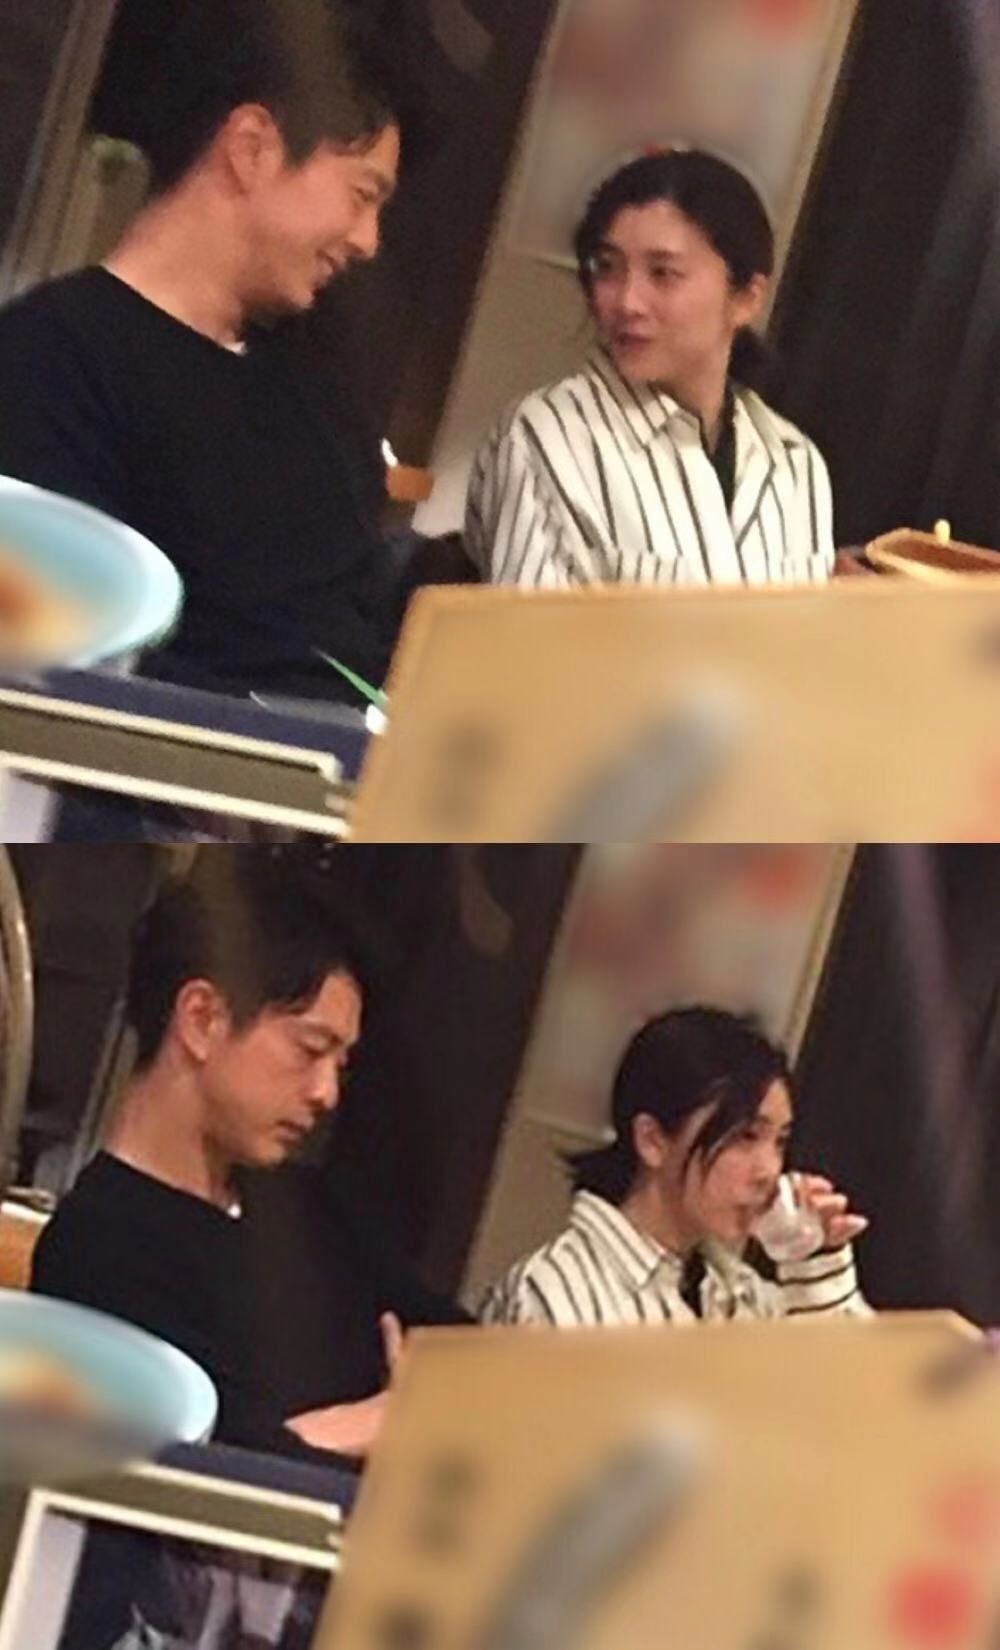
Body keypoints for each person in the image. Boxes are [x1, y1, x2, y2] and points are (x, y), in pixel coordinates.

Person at [0, 0, 407, 705]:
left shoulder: (321, 398)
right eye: (361, 194)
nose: (368, 240)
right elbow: (55, 670)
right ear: (250, 148)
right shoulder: (50, 356)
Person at [31, 854, 468, 1463]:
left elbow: (468, 1361)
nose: (327, 1093)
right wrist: (372, 1420)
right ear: (202, 1019)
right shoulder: (98, 1248)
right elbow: (197, 1469)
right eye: (309, 1049)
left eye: (340, 1065)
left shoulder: (306, 1207)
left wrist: (317, 1432)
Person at [466, 149, 837, 589]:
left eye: (663, 273)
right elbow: (528, 628)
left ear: (746, 298)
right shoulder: (547, 434)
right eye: (608, 268)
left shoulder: (796, 462)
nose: (627, 302)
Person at [480, 1007, 870, 1327]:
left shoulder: (734, 1290)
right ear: (652, 1141)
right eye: (745, 1136)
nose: (769, 1169)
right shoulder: (554, 1293)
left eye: (780, 1141)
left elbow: (851, 1385)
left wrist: (816, 1263)